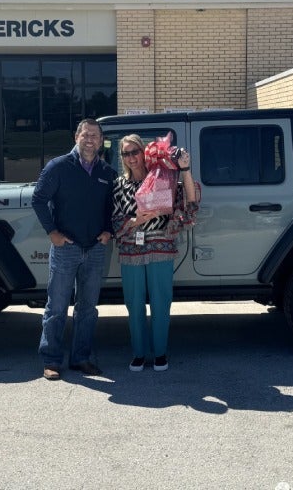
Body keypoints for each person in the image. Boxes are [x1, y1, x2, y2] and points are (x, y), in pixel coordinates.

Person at [32, 119, 116, 381]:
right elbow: (38, 199)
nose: (90, 139)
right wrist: (52, 233)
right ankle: (52, 360)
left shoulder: (107, 172)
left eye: (95, 136)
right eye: (85, 134)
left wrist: (108, 230)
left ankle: (81, 358)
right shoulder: (58, 167)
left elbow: (112, 208)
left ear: (101, 141)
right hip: (66, 248)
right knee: (57, 307)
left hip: (95, 249)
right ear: (76, 137)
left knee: (88, 308)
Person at [111, 134, 200, 372]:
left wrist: (186, 169)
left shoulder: (163, 178)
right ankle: (139, 353)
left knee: (161, 303)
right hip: (131, 250)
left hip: (161, 247)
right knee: (134, 303)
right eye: (125, 154)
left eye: (134, 152)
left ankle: (160, 353)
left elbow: (190, 201)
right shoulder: (119, 185)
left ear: (144, 152)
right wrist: (135, 220)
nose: (131, 158)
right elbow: (115, 219)